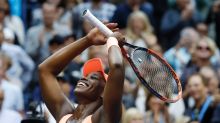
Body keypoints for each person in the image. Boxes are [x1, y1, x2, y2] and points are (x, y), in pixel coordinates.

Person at [38, 23, 125, 123]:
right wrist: (88, 40)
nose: (84, 78)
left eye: (94, 78)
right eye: (85, 76)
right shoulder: (64, 113)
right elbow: (44, 70)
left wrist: (112, 41)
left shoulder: (105, 116)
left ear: (104, 92)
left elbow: (117, 66)